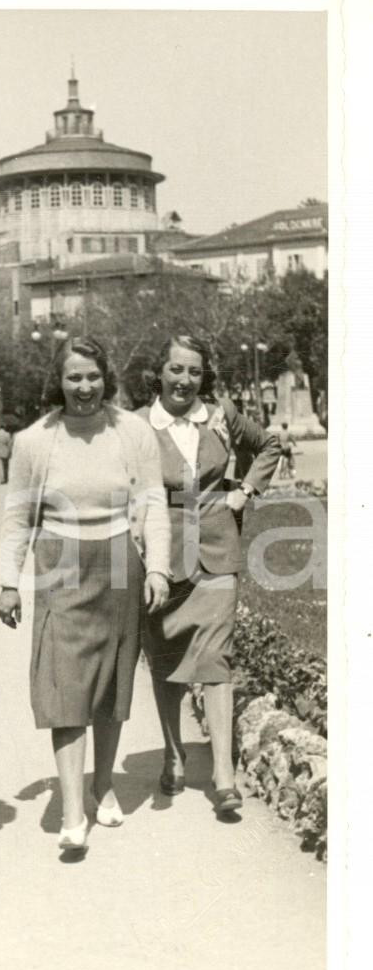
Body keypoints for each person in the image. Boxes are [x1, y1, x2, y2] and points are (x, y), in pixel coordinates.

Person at [0, 337, 170, 854]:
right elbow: (17, 517)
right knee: (67, 685)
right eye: (74, 377)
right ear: (59, 381)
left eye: (93, 376)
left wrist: (157, 567)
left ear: (106, 378)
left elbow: (154, 501)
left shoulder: (132, 431)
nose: (85, 387)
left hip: (120, 560)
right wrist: (9, 580)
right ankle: (73, 807)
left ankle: (104, 783)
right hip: (60, 562)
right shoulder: (34, 441)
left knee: (112, 680)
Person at [137, 335, 280, 814]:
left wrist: (246, 492)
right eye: (176, 369)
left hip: (218, 552)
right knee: (166, 660)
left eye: (194, 372)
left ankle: (223, 772)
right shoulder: (137, 426)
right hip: (160, 558)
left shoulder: (220, 416)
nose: (184, 380)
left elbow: (269, 445)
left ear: (204, 377)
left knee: (217, 661)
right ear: (159, 373)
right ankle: (174, 754)